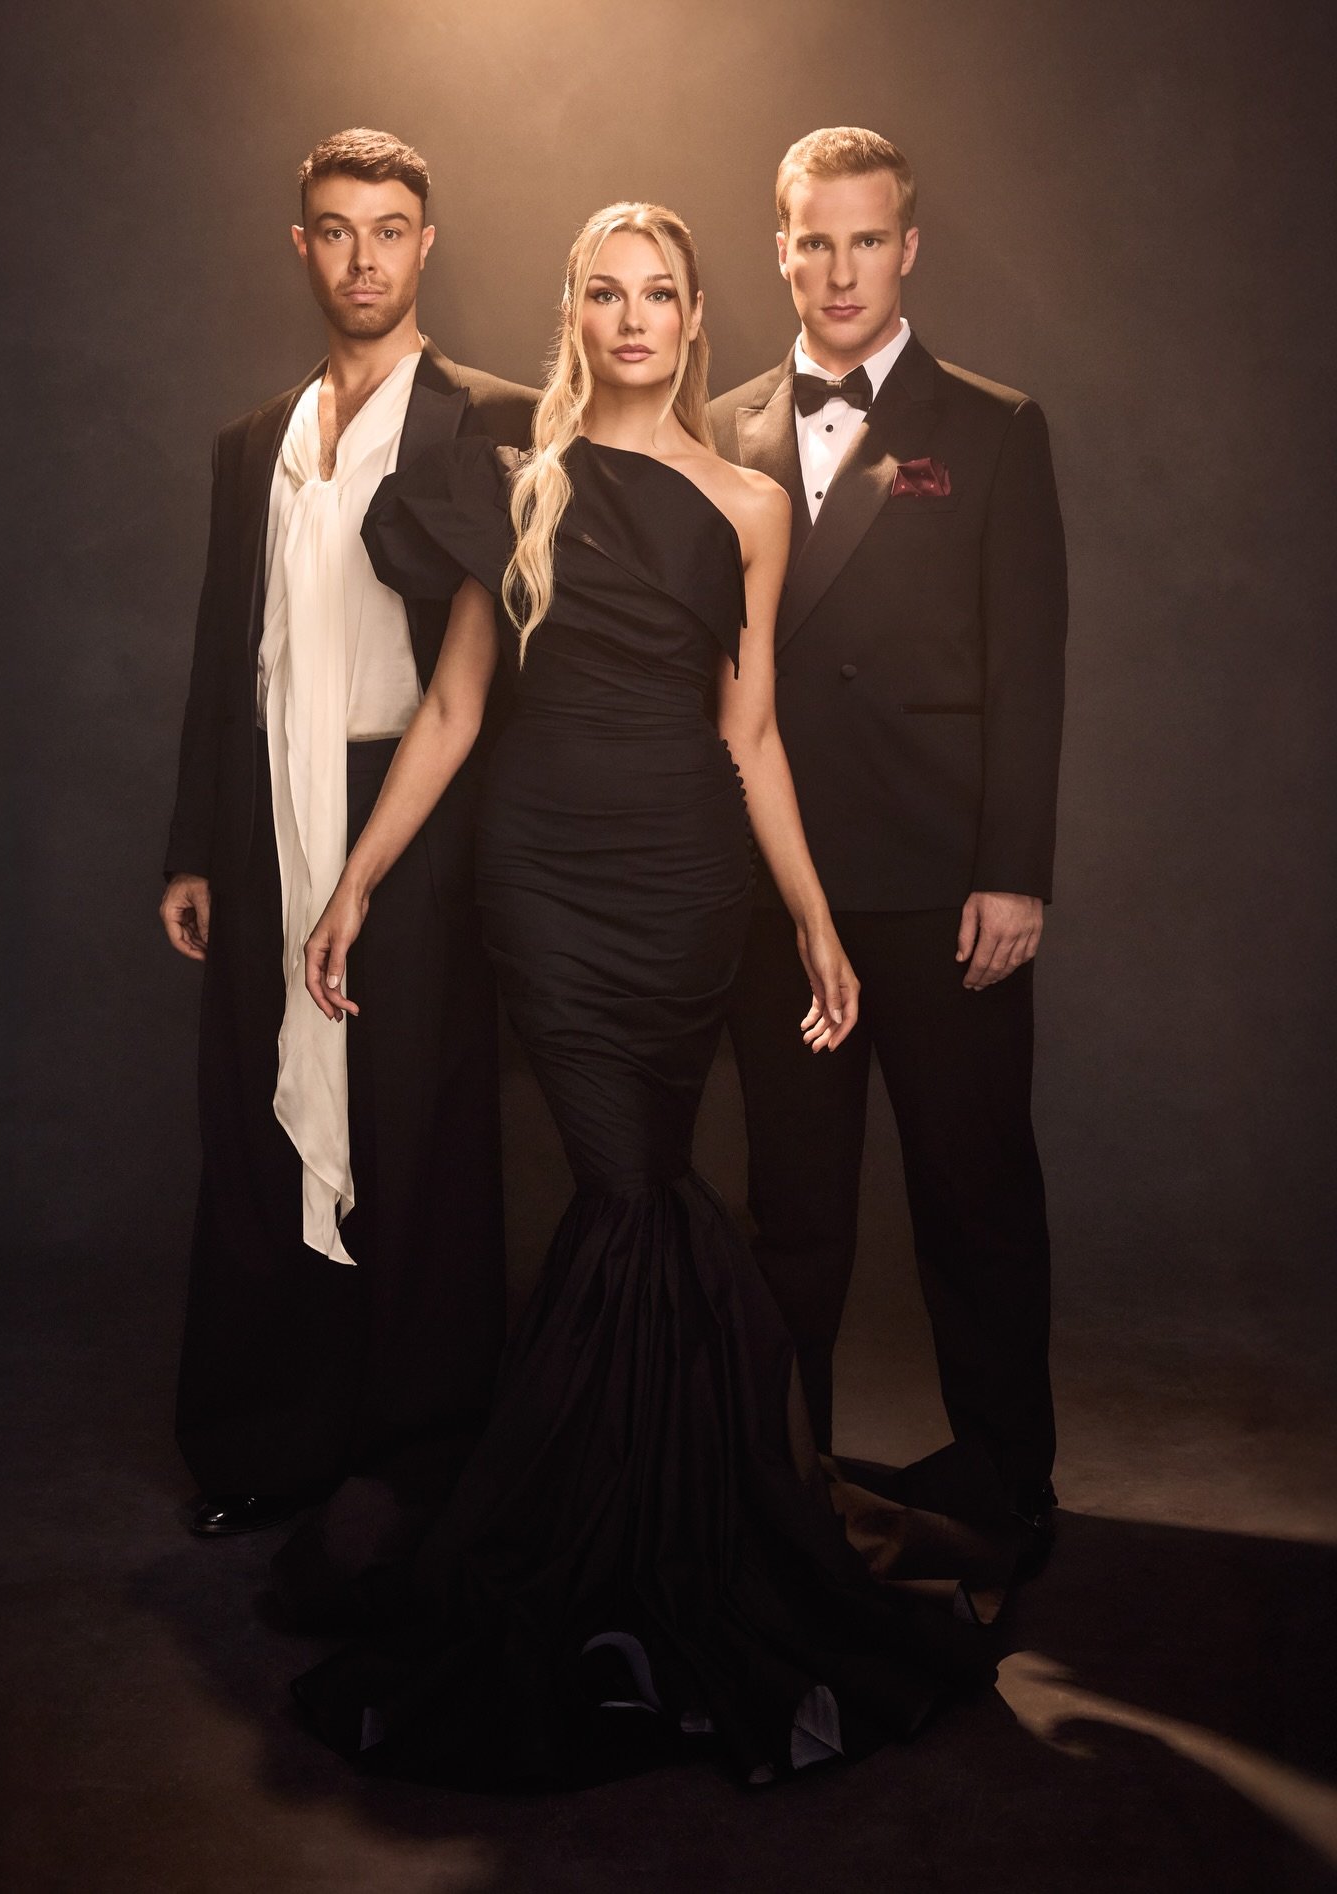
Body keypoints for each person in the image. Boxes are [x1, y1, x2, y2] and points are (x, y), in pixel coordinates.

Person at [284, 202, 992, 1790]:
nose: (632, 317)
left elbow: (751, 733)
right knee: (628, 1190)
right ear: (572, 310)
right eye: (603, 292)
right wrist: (360, 881)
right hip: (541, 872)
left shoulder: (749, 501)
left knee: (643, 1191)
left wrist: (811, 915)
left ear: (692, 314)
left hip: (683, 882)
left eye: (659, 291)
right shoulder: (514, 479)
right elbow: (459, 708)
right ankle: (644, 1526)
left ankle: (646, 1528)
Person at [159, 129, 535, 1541]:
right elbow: (227, 649)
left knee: (421, 1120)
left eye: (389, 228)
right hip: (264, 810)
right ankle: (266, 1440)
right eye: (335, 229)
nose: (363, 256)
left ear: (426, 245)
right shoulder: (253, 440)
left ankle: (422, 1444)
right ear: (300, 245)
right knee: (257, 1122)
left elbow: (499, 667)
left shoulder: (495, 413)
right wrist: (194, 842)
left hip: (414, 808)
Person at [711, 127, 1068, 1565]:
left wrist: (1018, 866)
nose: (840, 268)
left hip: (944, 886)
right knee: (793, 1209)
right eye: (815, 240)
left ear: (907, 249)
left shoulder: (992, 423)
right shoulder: (722, 424)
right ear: (780, 248)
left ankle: (1007, 1473)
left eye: (867, 240)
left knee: (973, 1196)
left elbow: (1031, 661)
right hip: (776, 888)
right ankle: (789, 1476)